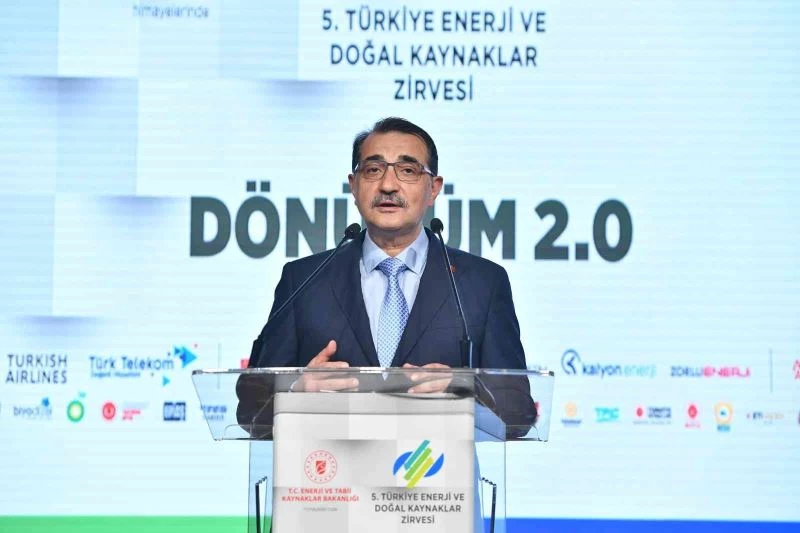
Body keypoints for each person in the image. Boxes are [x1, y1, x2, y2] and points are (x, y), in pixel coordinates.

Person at [247, 117, 530, 390]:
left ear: (433, 189)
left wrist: (464, 390)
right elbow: (251, 404)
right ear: (353, 186)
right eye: (373, 170)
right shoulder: (303, 281)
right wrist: (295, 390)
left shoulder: (483, 283)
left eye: (408, 171)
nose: (388, 185)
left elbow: (517, 407)